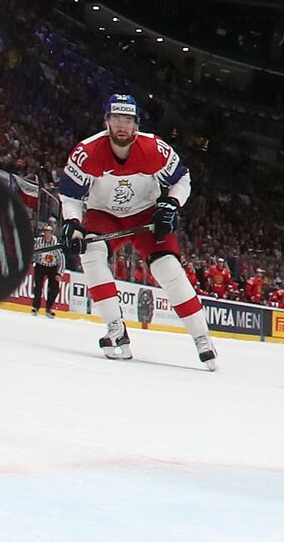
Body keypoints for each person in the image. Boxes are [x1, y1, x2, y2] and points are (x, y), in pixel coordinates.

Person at [59, 94, 218, 370]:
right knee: (91, 254)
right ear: (106, 121)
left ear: (136, 124)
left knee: (168, 269)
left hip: (147, 214)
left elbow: (182, 179)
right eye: (116, 119)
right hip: (105, 215)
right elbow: (70, 195)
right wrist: (72, 224)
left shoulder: (154, 148)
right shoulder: (86, 152)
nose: (122, 126)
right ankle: (115, 329)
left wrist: (171, 203)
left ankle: (202, 337)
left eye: (128, 120)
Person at [31, 221, 63, 318]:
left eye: (48, 232)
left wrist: (60, 273)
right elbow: (33, 251)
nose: (46, 234)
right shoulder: (39, 242)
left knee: (54, 289)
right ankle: (36, 307)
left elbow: (62, 259)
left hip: (52, 268)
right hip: (40, 266)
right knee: (38, 287)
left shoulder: (55, 244)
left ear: (52, 233)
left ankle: (49, 308)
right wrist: (33, 261)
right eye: (45, 232)